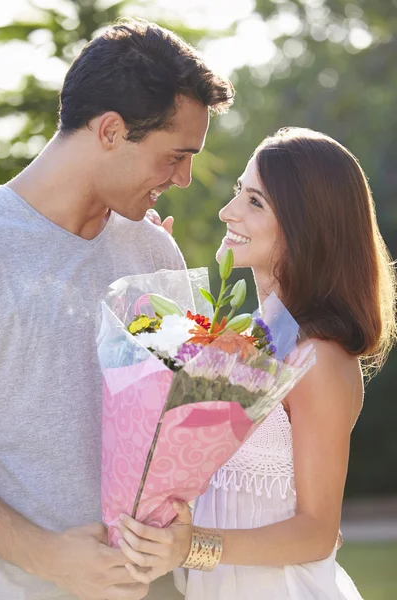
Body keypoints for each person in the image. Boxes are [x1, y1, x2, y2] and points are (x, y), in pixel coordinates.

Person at [0, 18, 234, 600]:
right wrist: (48, 555)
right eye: (175, 155)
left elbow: (180, 420)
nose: (184, 178)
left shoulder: (154, 249)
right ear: (109, 130)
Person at [117, 127, 397, 599]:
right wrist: (150, 302)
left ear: (308, 225)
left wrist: (193, 547)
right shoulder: (246, 338)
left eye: (255, 202)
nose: (228, 212)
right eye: (237, 194)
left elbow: (317, 533)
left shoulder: (319, 359)